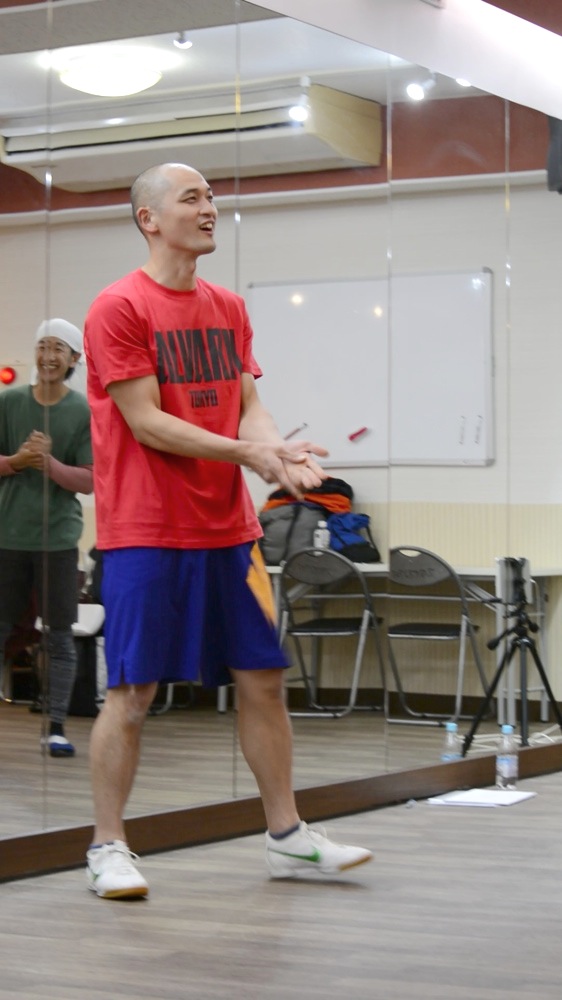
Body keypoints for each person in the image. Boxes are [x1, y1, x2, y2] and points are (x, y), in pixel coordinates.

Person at [83, 162, 373, 900]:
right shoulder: (118, 307)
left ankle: (288, 837)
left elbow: (250, 407)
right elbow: (146, 421)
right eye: (192, 198)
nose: (209, 207)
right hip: (145, 532)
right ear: (150, 218)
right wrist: (249, 454)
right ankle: (107, 847)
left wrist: (276, 451)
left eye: (211, 196)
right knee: (133, 692)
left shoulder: (229, 308)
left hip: (228, 533)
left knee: (264, 680)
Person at [0, 318, 94, 756]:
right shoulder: (9, 402)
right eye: (43, 346)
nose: (48, 356)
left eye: (59, 348)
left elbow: (90, 480)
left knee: (58, 636)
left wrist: (50, 465)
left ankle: (56, 727)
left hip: (57, 540)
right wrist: (18, 460)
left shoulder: (82, 411)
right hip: (8, 536)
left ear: (74, 359)